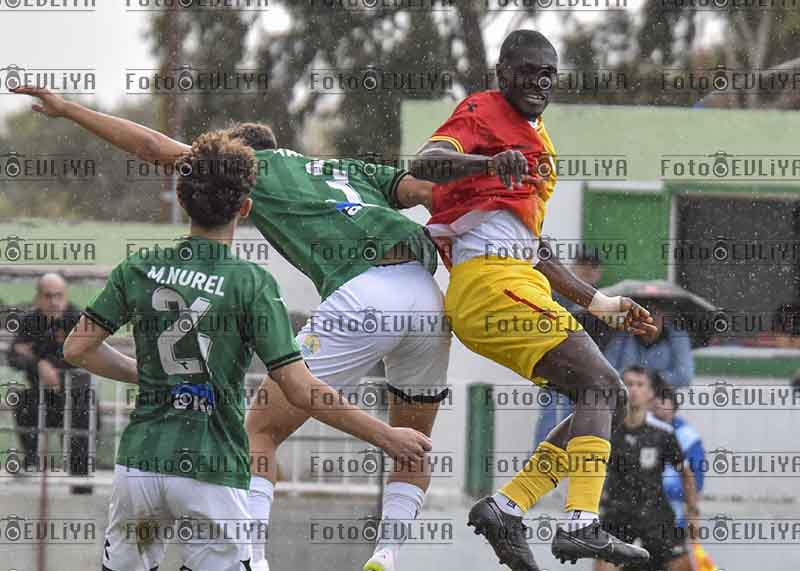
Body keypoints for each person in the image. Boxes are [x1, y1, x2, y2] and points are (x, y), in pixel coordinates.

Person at [15, 86, 449, 571]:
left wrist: (69, 109)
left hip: (142, 461)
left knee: (261, 430)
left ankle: (257, 556)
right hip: (425, 293)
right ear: (242, 207)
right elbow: (428, 189)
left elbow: (152, 147)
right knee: (415, 439)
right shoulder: (330, 186)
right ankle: (387, 552)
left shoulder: (144, 265)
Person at [410, 29, 655, 570]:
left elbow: (532, 247)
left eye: (549, 74)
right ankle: (580, 524)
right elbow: (424, 163)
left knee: (608, 398)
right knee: (601, 385)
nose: (540, 82)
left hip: (517, 280)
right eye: (528, 71)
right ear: (502, 72)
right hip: (490, 287)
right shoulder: (483, 110)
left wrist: (601, 303)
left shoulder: (538, 138)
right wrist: (485, 165)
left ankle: (507, 507)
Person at [595, 366, 699, 571]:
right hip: (617, 515)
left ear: (650, 393)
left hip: (655, 514)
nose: (633, 390)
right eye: (628, 384)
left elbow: (685, 473)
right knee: (603, 568)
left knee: (685, 566)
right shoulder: (607, 432)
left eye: (640, 384)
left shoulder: (663, 433)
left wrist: (693, 513)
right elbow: (587, 472)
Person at [8, 273, 92, 478]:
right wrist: (38, 365)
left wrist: (55, 370)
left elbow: (88, 357)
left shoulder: (78, 320)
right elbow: (13, 356)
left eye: (58, 295)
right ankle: (32, 464)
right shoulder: (30, 321)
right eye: (48, 296)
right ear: (38, 298)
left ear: (66, 295)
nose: (54, 301)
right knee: (23, 401)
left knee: (82, 406)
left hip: (75, 395)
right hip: (41, 397)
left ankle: (79, 477)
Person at [533, 253, 611, 448]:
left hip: (587, 371)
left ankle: (568, 459)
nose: (588, 271)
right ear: (574, 267)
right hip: (557, 367)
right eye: (583, 265)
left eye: (592, 267)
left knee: (579, 421)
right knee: (550, 419)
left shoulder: (602, 301)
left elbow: (605, 340)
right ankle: (541, 459)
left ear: (599, 272)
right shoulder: (556, 295)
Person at [651, 374, 715, 571]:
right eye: (655, 399)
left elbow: (696, 480)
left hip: (674, 516)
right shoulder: (640, 431)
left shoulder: (687, 436)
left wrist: (665, 489)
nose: (658, 404)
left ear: (674, 405)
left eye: (663, 400)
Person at [604, 306, 694, 388]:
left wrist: (650, 379)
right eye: (646, 313)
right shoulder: (623, 335)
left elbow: (685, 377)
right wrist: (630, 379)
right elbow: (606, 372)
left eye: (656, 313)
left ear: (664, 316)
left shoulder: (678, 337)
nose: (651, 318)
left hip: (661, 396)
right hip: (627, 394)